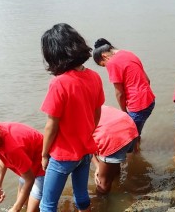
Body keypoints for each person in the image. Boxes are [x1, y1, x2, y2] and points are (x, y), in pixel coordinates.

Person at [39, 23, 105, 212]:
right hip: (84, 150)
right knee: (81, 195)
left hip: (62, 155)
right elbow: (97, 112)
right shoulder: (94, 77)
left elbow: (51, 125)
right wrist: (88, 133)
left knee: (48, 203)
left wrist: (44, 155)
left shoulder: (59, 83)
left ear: (54, 54)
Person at [92, 38, 155, 152]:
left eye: (103, 65)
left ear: (104, 56)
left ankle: (135, 158)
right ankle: (137, 149)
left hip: (138, 105)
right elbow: (147, 80)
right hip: (149, 100)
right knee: (135, 131)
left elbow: (119, 93)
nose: (106, 66)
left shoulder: (112, 62)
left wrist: (124, 112)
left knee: (129, 137)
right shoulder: (129, 54)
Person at [91, 105, 138, 195]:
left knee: (102, 184)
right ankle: (116, 181)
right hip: (130, 127)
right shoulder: (92, 105)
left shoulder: (74, 120)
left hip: (112, 136)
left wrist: (97, 166)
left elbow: (83, 146)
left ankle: (103, 203)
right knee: (113, 164)